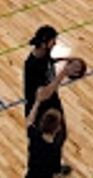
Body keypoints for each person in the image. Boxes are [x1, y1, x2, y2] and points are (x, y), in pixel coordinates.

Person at [24, 25, 71, 174]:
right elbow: (43, 93)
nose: (55, 43)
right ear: (44, 43)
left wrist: (64, 59)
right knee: (44, 146)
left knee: (60, 137)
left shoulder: (43, 54)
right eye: (53, 41)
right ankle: (48, 170)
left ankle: (55, 167)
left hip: (51, 104)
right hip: (40, 110)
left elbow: (48, 63)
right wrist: (63, 74)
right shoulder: (32, 66)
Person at [26, 86, 68, 178]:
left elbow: (29, 121)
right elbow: (55, 175)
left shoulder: (35, 136)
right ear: (57, 128)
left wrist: (38, 101)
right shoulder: (54, 150)